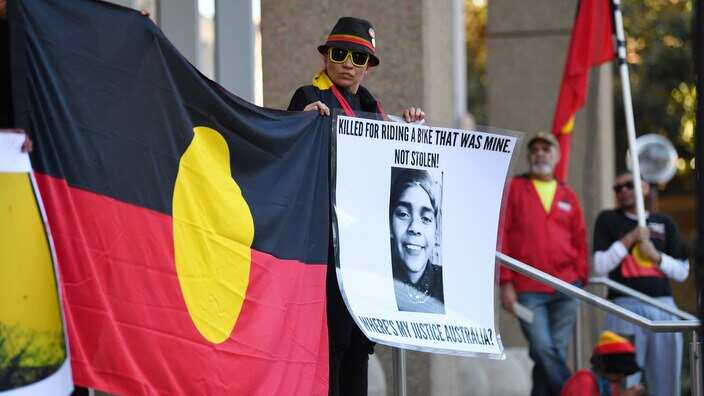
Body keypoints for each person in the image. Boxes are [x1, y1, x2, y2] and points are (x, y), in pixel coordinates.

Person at [287, 17, 425, 396]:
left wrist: (410, 133)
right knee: (335, 338)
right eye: (340, 54)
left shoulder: (373, 108)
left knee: (361, 341)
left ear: (368, 66)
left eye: (359, 57)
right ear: (326, 58)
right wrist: (301, 123)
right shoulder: (308, 97)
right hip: (327, 241)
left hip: (366, 245)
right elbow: (290, 153)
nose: (349, 63)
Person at [499, 132, 588, 396]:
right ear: (528, 157)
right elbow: (501, 234)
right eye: (534, 149)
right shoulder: (515, 188)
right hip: (527, 290)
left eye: (546, 149)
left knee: (551, 355)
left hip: (566, 289)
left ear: (556, 156)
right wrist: (505, 283)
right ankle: (577, 392)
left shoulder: (567, 195)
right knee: (542, 348)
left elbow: (580, 239)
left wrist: (580, 277)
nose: (540, 153)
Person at [592, 172, 689, 396]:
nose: (623, 190)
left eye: (629, 185)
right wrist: (630, 239)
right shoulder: (608, 219)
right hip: (623, 307)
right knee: (623, 383)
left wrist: (656, 257)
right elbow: (600, 265)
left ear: (644, 187)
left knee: (666, 383)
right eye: (618, 188)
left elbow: (682, 272)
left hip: (662, 309)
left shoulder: (665, 222)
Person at [389, 167, 444, 314]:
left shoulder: (449, 285)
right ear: (389, 224)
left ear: (436, 232)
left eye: (426, 218)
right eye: (403, 214)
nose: (414, 228)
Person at [561, 331, 644, 396]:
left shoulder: (609, 385)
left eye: (626, 372)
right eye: (617, 371)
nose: (622, 376)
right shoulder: (584, 381)